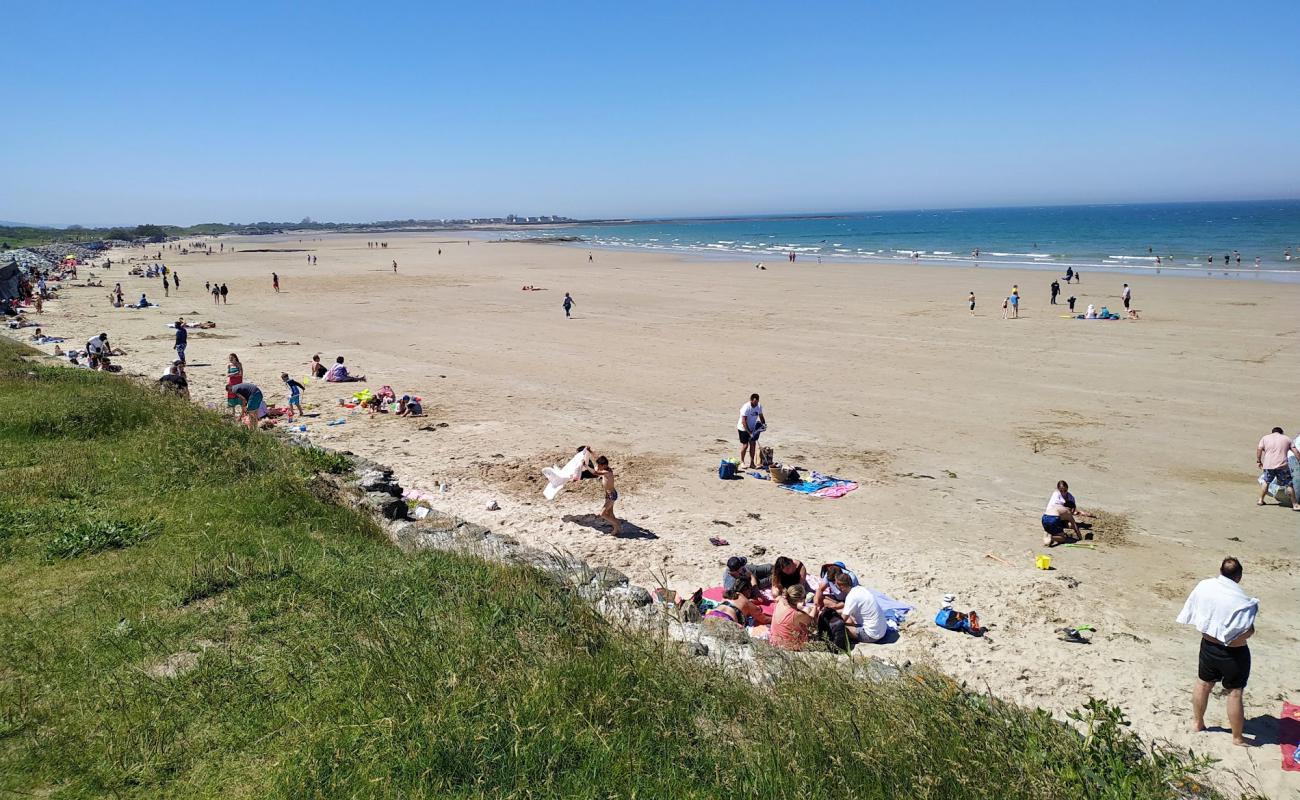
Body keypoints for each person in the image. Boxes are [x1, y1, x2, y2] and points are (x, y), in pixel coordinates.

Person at [1176, 557, 1258, 747]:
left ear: (1221, 571)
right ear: (1239, 577)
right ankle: (1237, 737)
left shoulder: (1205, 586)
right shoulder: (1243, 601)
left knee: (1203, 684)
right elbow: (1248, 631)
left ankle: (1197, 723)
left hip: (1208, 646)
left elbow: (1195, 609)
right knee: (1235, 693)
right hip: (1234, 654)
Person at [838, 574, 887, 644]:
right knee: (851, 620)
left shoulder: (851, 597)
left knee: (840, 629)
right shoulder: (860, 589)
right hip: (882, 630)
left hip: (872, 636)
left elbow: (842, 620)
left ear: (842, 586)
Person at [705, 578, 770, 627]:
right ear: (747, 590)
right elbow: (764, 619)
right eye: (750, 589)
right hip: (727, 621)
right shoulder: (746, 602)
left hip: (711, 615)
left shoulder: (727, 595)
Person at [1041, 479, 1089, 545]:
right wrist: (1080, 537)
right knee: (1063, 538)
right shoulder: (1056, 495)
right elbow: (1075, 526)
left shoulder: (1070, 498)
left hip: (1044, 518)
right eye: (1061, 491)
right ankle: (1051, 536)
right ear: (1058, 489)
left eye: (1065, 490)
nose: (1063, 493)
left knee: (1058, 528)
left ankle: (1048, 533)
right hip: (1054, 518)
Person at [1256, 426, 1293, 507]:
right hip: (1282, 465)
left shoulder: (1265, 438)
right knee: (1288, 484)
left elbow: (1259, 449)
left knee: (1266, 482)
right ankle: (1295, 504)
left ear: (1272, 432)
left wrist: (1259, 461)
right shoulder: (1286, 438)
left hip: (1268, 465)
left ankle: (1260, 500)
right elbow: (1295, 451)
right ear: (1282, 433)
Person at [769, 584, 814, 650]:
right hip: (788, 646)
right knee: (807, 628)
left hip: (774, 641)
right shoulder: (797, 614)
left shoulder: (780, 600)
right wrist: (816, 606)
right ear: (801, 599)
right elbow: (811, 619)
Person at [593, 455, 622, 535]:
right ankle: (617, 529)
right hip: (608, 495)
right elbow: (597, 459)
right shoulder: (605, 468)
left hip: (611, 496)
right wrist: (590, 451)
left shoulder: (607, 471)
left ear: (604, 465)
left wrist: (585, 465)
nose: (598, 466)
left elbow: (595, 472)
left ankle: (616, 525)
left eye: (599, 465)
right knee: (610, 513)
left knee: (602, 513)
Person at [737, 393, 766, 469]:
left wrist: (764, 424)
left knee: (753, 445)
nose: (756, 404)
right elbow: (744, 421)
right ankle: (742, 462)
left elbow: (761, 416)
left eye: (757, 402)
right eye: (754, 402)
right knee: (745, 445)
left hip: (753, 428)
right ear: (751, 400)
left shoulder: (758, 406)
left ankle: (752, 463)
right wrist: (749, 433)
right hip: (743, 428)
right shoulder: (746, 407)